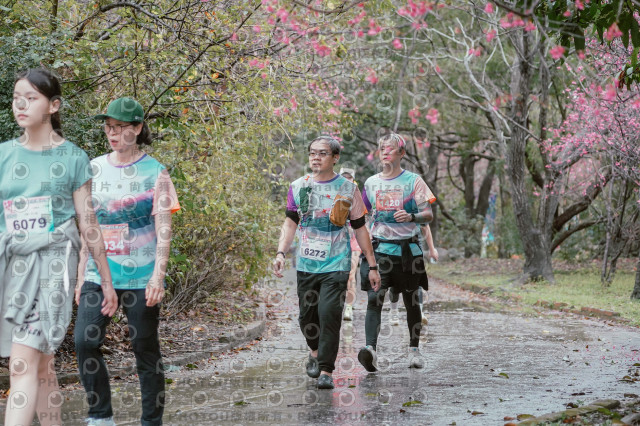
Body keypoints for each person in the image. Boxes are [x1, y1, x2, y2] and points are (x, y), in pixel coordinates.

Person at [0, 68, 117, 426]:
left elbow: (88, 224)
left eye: (30, 98)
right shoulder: (3, 155)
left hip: (52, 268)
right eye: (16, 98)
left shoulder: (73, 158)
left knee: (22, 363)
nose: (21, 105)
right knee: (41, 364)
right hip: (11, 268)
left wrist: (106, 280)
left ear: (53, 105)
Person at [74, 97, 180, 426]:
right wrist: (80, 277)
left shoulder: (156, 173)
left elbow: (164, 230)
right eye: (108, 127)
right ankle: (100, 416)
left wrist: (158, 276)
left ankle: (151, 420)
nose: (112, 133)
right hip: (99, 273)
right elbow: (88, 229)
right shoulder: (93, 169)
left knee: (144, 347)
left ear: (137, 128)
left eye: (120, 127)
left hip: (141, 276)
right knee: (84, 341)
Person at [273, 136, 381, 390]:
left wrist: (372, 265)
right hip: (306, 265)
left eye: (322, 153)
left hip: (337, 264)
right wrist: (280, 253)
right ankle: (314, 351)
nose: (316, 157)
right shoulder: (298, 186)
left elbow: (360, 228)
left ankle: (326, 370)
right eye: (312, 153)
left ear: (335, 158)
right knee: (307, 318)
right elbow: (290, 223)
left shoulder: (348, 189)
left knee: (329, 314)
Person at [358, 131, 436, 372]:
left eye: (390, 148)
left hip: (408, 252)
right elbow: (362, 215)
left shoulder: (414, 181)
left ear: (402, 153)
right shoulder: (371, 183)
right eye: (382, 148)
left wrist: (412, 216)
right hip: (380, 251)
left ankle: (414, 350)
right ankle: (370, 349)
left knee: (412, 301)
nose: (385, 152)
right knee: (375, 298)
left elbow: (428, 214)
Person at [388, 224, 438, 326]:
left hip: (414, 245)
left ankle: (419, 311)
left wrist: (432, 249)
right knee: (395, 281)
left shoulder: (418, 212)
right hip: (394, 244)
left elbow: (425, 225)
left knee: (417, 280)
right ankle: (394, 311)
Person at [339, 167, 361, 322]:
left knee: (351, 273)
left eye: (349, 178)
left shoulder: (358, 195)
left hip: (354, 240)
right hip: (336, 240)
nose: (346, 180)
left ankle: (348, 308)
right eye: (343, 177)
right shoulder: (332, 193)